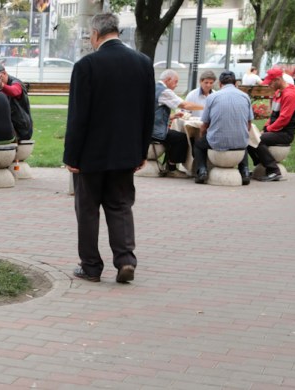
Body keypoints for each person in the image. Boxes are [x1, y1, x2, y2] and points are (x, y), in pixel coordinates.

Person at [63, 13, 154, 284]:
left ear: (95, 34)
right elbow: (147, 111)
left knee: (88, 210)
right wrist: (141, 150)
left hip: (91, 153)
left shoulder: (86, 65)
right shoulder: (143, 63)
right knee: (121, 205)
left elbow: (78, 115)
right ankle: (125, 260)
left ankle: (91, 266)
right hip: (126, 151)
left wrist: (71, 156)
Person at [192, 70, 253, 185]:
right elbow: (248, 125)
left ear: (220, 84)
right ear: (235, 84)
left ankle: (202, 171)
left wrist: (202, 135)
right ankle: (244, 171)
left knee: (199, 145)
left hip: (217, 142)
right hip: (240, 143)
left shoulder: (212, 97)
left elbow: (204, 125)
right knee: (242, 139)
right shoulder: (245, 97)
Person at [248, 67, 295, 182]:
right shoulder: (278, 92)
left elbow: (284, 119)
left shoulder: (290, 94)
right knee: (248, 137)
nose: (269, 85)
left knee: (258, 140)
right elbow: (273, 115)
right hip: (277, 130)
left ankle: (273, 171)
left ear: (278, 80)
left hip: (285, 133)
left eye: (270, 83)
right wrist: (266, 128)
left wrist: (268, 130)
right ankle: (261, 163)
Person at [153, 69, 203, 177]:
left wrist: (172, 116)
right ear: (168, 79)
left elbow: (154, 112)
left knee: (174, 134)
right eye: (175, 81)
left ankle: (169, 164)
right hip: (154, 132)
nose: (176, 85)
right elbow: (185, 105)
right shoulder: (164, 91)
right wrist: (206, 107)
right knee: (181, 138)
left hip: (148, 128)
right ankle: (171, 168)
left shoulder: (154, 87)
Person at [0, 64, 33, 143]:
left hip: (21, 128)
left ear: (4, 73)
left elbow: (15, 91)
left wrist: (2, 86)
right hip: (8, 125)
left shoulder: (16, 83)